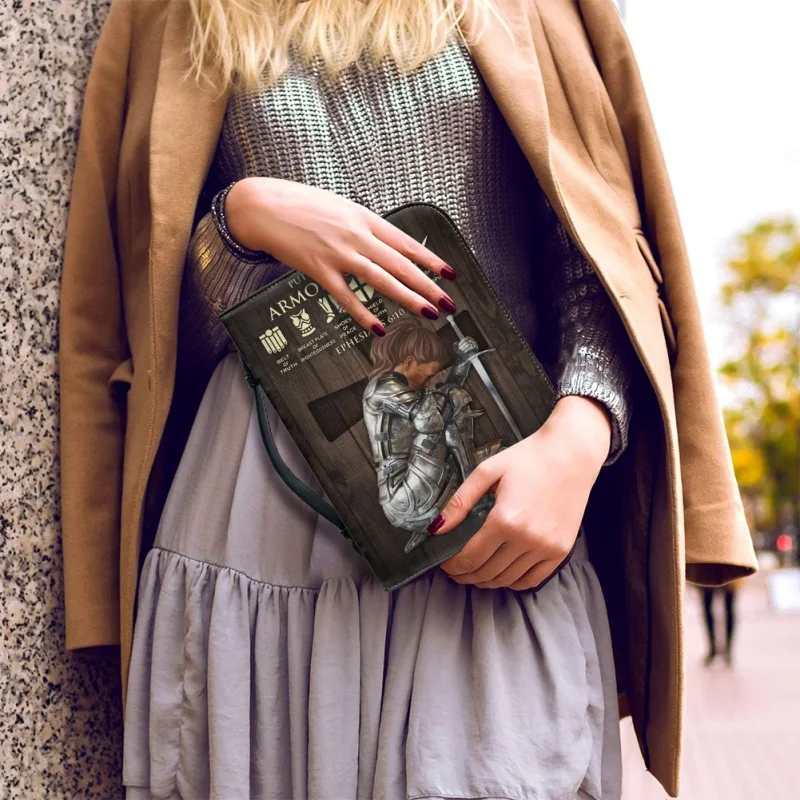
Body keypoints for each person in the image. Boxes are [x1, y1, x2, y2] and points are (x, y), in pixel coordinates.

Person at [57, 1, 759, 798]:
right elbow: (140, 327)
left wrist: (583, 430)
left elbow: (595, 248)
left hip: (494, 501)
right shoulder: (170, 11)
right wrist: (240, 220)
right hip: (257, 515)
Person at [701, 576, 746, 667]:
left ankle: (726, 650)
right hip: (709, 567)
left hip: (727, 565)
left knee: (728, 607)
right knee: (709, 607)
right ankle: (714, 648)